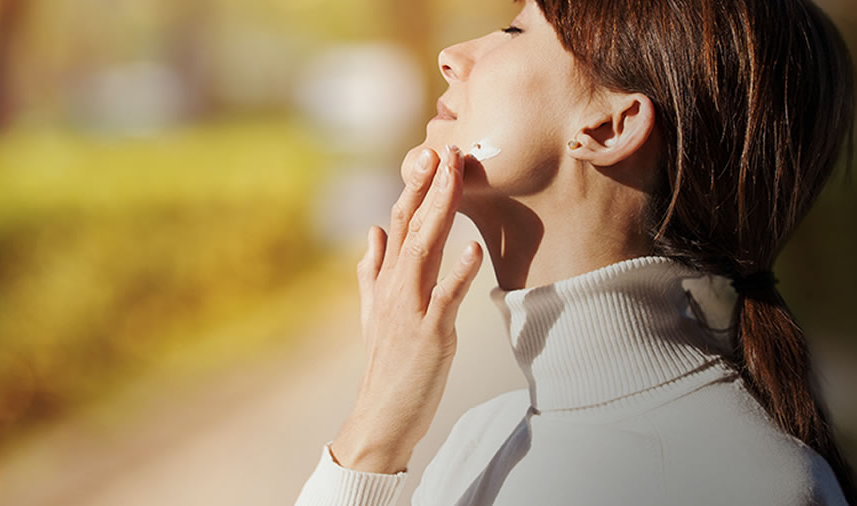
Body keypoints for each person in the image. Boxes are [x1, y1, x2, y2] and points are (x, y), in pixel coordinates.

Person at [294, 0, 855, 504]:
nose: (450, 57)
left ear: (610, 126)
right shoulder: (480, 439)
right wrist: (373, 432)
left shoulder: (743, 484)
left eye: (514, 31)